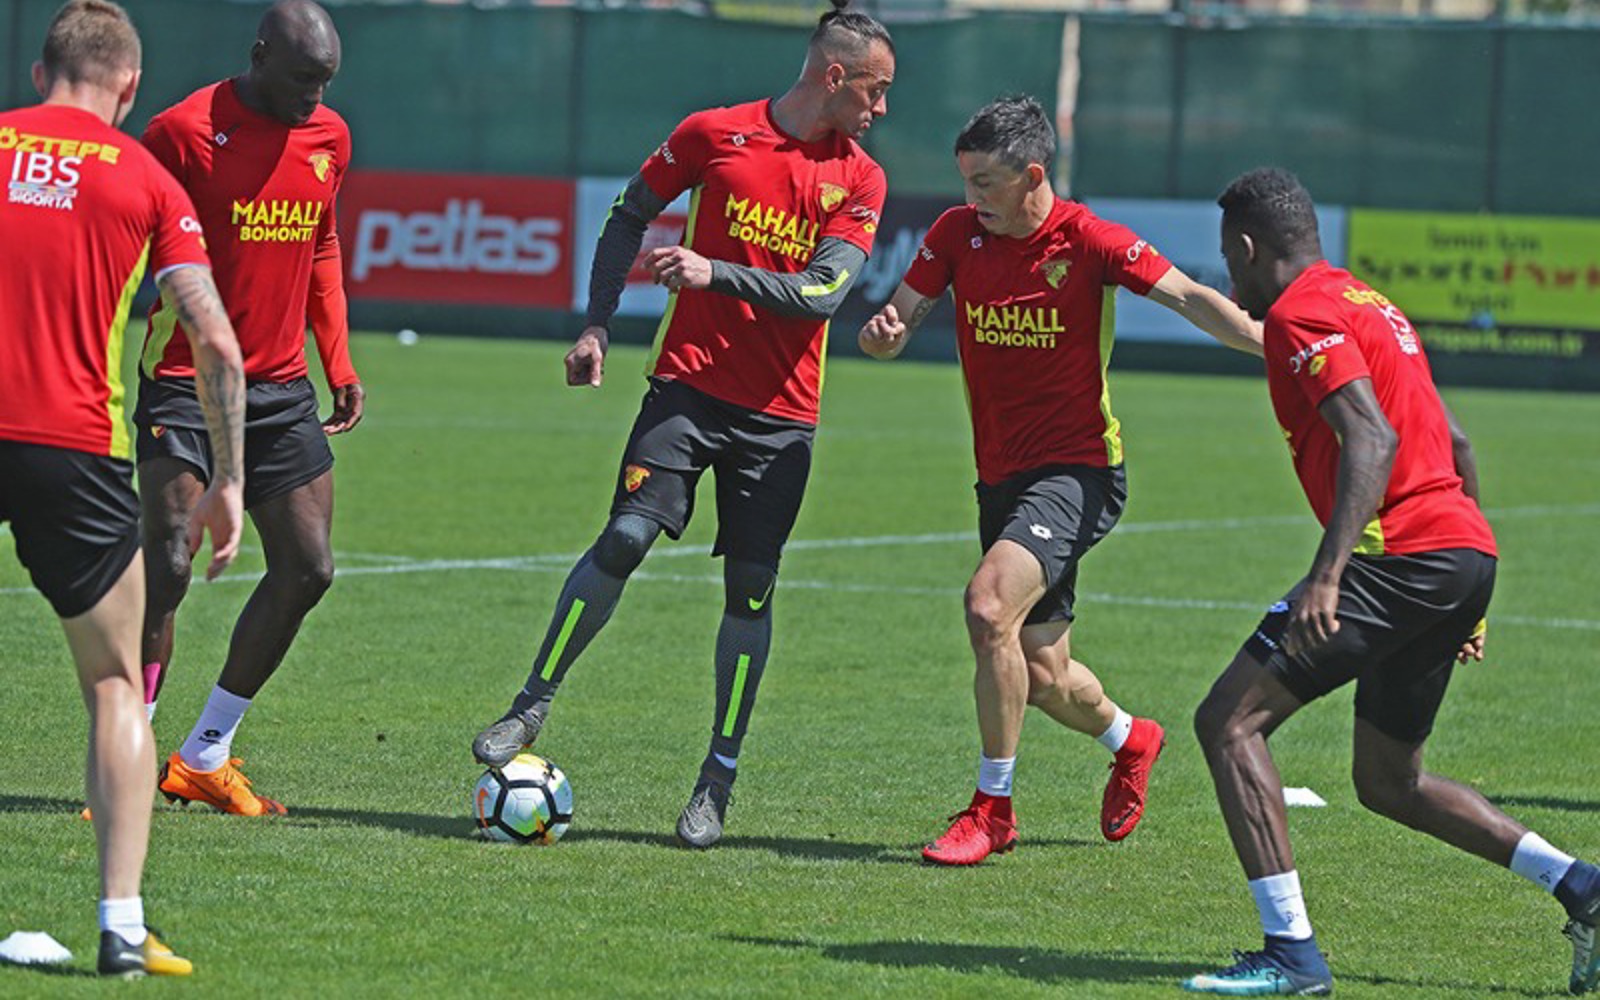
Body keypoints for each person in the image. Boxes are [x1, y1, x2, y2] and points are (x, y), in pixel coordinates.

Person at [471, 0, 894, 850]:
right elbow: (629, 212)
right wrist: (596, 325)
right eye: (874, 91)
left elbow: (824, 293)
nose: (880, 110)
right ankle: (532, 703)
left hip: (781, 419)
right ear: (833, 75)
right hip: (687, 389)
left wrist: (714, 272)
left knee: (750, 591)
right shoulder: (713, 133)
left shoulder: (861, 179)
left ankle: (716, 779)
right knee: (625, 535)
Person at [1182, 167, 1599, 996]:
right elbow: (1459, 443)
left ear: (1248, 246)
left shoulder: (1301, 312)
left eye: (1229, 260)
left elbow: (1371, 440)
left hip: (1399, 558)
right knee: (1387, 781)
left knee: (1228, 723)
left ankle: (1291, 955)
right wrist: (1467, 593)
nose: (1229, 279)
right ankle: (1581, 885)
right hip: (1459, 556)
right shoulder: (1371, 304)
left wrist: (1327, 574)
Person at [858, 96, 1263, 865]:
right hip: (1000, 479)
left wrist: (1284, 346)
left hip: (1078, 472)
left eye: (985, 183)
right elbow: (897, 321)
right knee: (1043, 675)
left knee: (988, 607)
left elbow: (1192, 298)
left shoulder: (1089, 239)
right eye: (965, 181)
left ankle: (992, 810)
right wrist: (886, 336)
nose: (971, 197)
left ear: (1033, 176)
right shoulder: (954, 234)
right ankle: (1133, 738)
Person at [0, 0, 246, 975]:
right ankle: (121, 925)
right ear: (131, 86)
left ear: (39, 74)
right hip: (74, 449)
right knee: (113, 684)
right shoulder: (147, 179)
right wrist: (229, 478)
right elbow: (215, 340)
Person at [134, 0, 361, 816]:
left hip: (280, 389)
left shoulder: (329, 137)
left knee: (308, 568)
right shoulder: (180, 133)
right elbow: (122, 246)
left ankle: (204, 755)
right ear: (260, 55)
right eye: (301, 79)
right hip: (182, 379)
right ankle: (127, 759)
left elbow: (322, 242)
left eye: (324, 82)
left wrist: (337, 358)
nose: (313, 97)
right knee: (169, 565)